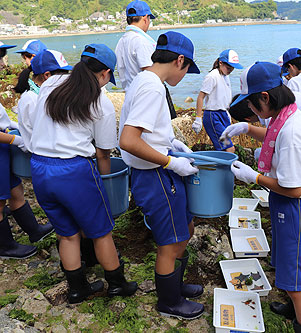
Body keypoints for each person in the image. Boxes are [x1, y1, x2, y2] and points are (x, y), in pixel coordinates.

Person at [30, 45, 137, 304]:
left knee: (66, 233)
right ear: (105, 73)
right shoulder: (100, 101)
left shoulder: (51, 83)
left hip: (40, 168)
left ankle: (77, 289)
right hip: (74, 172)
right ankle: (117, 283)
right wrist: (104, 186)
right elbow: (102, 153)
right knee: (101, 231)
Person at [221, 62, 301, 333]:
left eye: (252, 106)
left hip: (298, 209)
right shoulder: (286, 116)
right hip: (288, 207)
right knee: (290, 272)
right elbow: (273, 136)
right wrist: (247, 128)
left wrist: (252, 177)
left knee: (299, 285)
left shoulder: (291, 131)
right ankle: (293, 308)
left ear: (265, 97)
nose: (252, 111)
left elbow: (294, 188)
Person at [119, 31, 204, 319]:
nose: (185, 75)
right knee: (170, 242)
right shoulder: (153, 87)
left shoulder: (143, 80)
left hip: (158, 170)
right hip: (154, 174)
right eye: (187, 69)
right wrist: (170, 161)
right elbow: (129, 140)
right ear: (179, 60)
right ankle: (169, 302)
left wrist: (170, 142)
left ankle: (176, 287)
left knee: (184, 230)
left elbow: (147, 129)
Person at [0, 43, 54, 260]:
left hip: (4, 147)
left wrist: (9, 129)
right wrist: (15, 139)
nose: (3, 63)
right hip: (3, 145)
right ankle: (5, 246)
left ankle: (34, 230)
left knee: (15, 191)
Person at [229, 90, 301, 145]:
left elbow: (271, 137)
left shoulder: (268, 112)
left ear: (247, 118)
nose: (249, 106)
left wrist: (247, 129)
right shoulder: (266, 99)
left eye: (249, 104)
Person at [192, 49, 243, 152]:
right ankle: (225, 167)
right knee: (229, 148)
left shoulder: (225, 76)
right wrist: (198, 118)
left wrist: (227, 112)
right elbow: (201, 97)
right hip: (213, 116)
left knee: (222, 148)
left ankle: (217, 166)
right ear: (220, 63)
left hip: (223, 114)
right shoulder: (212, 76)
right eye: (228, 67)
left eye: (232, 68)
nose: (230, 70)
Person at [13, 50, 60, 152]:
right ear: (47, 75)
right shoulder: (32, 99)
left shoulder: (39, 94)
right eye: (61, 75)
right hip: (44, 155)